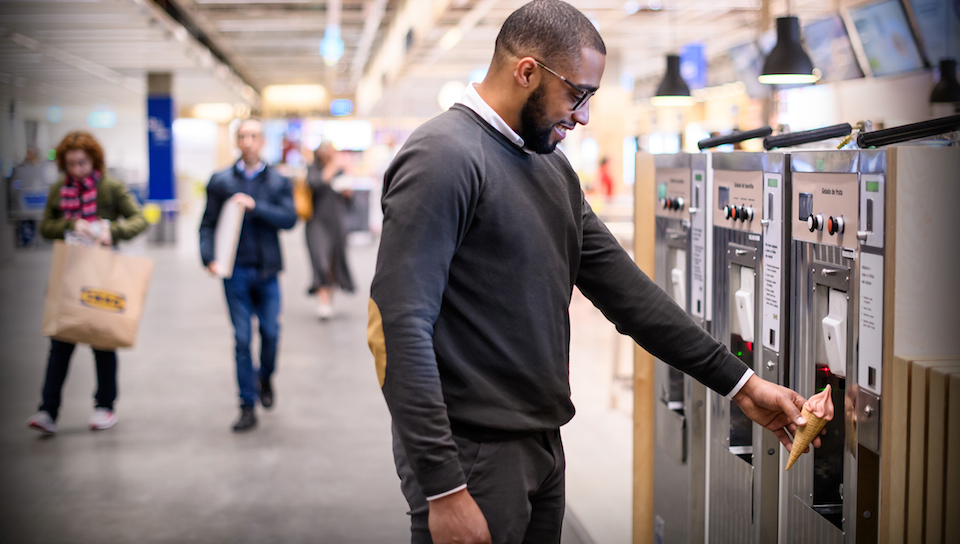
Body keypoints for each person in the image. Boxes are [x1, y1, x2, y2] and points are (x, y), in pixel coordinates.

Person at [366, 1, 820, 542]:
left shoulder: (551, 167)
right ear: (527, 71)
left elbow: (629, 295)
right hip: (472, 457)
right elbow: (397, 328)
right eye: (577, 95)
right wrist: (442, 487)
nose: (582, 116)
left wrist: (740, 384)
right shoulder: (443, 158)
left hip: (540, 444)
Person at [27, 131, 147, 434]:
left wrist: (110, 231)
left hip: (102, 275)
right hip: (69, 273)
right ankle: (48, 411)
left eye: (82, 163)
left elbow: (139, 219)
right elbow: (45, 227)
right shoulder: (59, 190)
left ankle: (104, 406)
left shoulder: (110, 187)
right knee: (60, 344)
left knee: (103, 342)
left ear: (94, 160)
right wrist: (71, 224)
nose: (77, 170)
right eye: (70, 164)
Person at [199, 118, 297, 432]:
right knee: (242, 339)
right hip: (235, 271)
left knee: (270, 333)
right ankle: (246, 404)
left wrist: (256, 207)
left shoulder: (278, 181)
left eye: (254, 136)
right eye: (242, 136)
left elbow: (289, 219)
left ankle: (264, 377)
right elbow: (207, 224)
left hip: (267, 272)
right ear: (236, 141)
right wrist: (208, 258)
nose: (248, 141)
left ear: (262, 141)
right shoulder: (221, 181)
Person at [305, 142, 354, 319]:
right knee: (320, 260)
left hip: (336, 222)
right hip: (317, 222)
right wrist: (331, 170)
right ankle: (323, 301)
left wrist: (348, 192)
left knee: (333, 262)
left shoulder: (340, 170)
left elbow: (349, 201)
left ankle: (328, 300)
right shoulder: (313, 169)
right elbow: (314, 185)